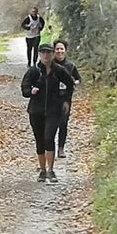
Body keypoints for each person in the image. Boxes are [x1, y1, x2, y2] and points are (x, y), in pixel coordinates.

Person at [21, 43, 75, 183]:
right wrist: (30, 91)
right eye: (43, 52)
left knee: (49, 137)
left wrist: (65, 100)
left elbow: (70, 84)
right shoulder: (34, 71)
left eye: (48, 53)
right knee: (39, 140)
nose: (46, 55)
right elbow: (24, 88)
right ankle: (42, 170)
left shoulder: (59, 70)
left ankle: (51, 170)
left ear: (52, 55)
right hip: (36, 110)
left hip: (54, 110)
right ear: (39, 54)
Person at [53, 39, 81, 158]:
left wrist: (75, 82)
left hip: (65, 98)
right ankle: (49, 148)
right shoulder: (49, 64)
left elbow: (78, 78)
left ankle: (61, 148)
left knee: (63, 123)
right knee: (50, 124)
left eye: (61, 49)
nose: (59, 51)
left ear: (65, 51)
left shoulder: (70, 65)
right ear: (54, 51)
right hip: (51, 99)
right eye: (57, 49)